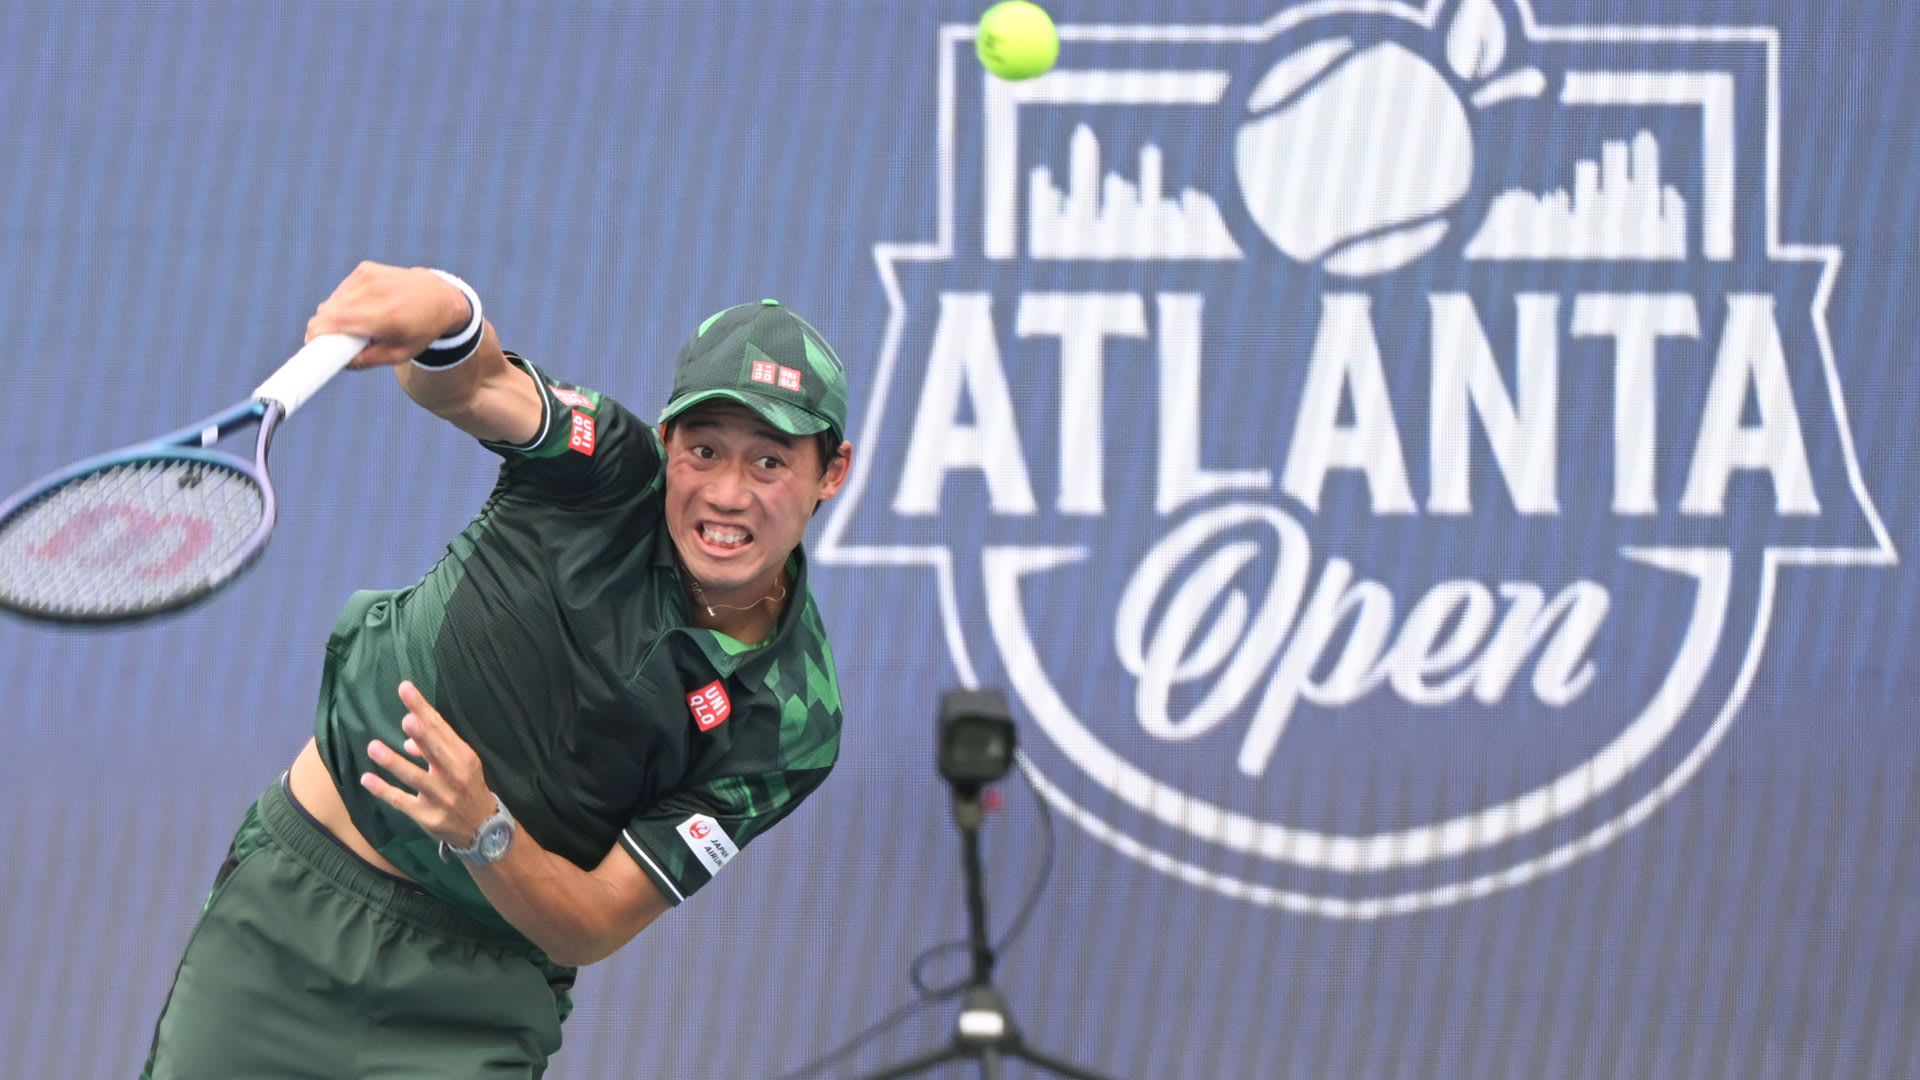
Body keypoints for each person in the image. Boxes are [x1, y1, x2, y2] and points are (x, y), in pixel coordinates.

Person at [141, 262, 853, 1078]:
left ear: (830, 472)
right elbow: (469, 383)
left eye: (770, 463)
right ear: (665, 444)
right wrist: (449, 306)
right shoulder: (604, 468)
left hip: (479, 1000)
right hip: (292, 914)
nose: (728, 493)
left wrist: (485, 831)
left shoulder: (793, 719)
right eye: (704, 449)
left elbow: (594, 923)